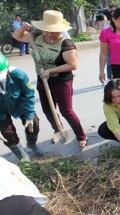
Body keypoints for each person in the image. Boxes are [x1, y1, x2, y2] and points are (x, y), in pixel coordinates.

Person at [13, 10, 88, 150]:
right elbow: (17, 36)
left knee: (67, 111)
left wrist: (51, 70)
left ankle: (81, 136)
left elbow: (73, 65)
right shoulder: (36, 37)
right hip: (43, 80)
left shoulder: (66, 44)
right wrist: (23, 27)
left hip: (61, 81)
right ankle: (58, 129)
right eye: (47, 30)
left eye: (53, 31)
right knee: (48, 110)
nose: (49, 34)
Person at [0, 51, 44, 161]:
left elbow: (28, 94)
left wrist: (29, 114)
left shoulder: (18, 74)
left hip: (19, 104)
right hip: (0, 110)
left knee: (33, 123)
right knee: (6, 133)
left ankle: (32, 144)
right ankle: (21, 155)